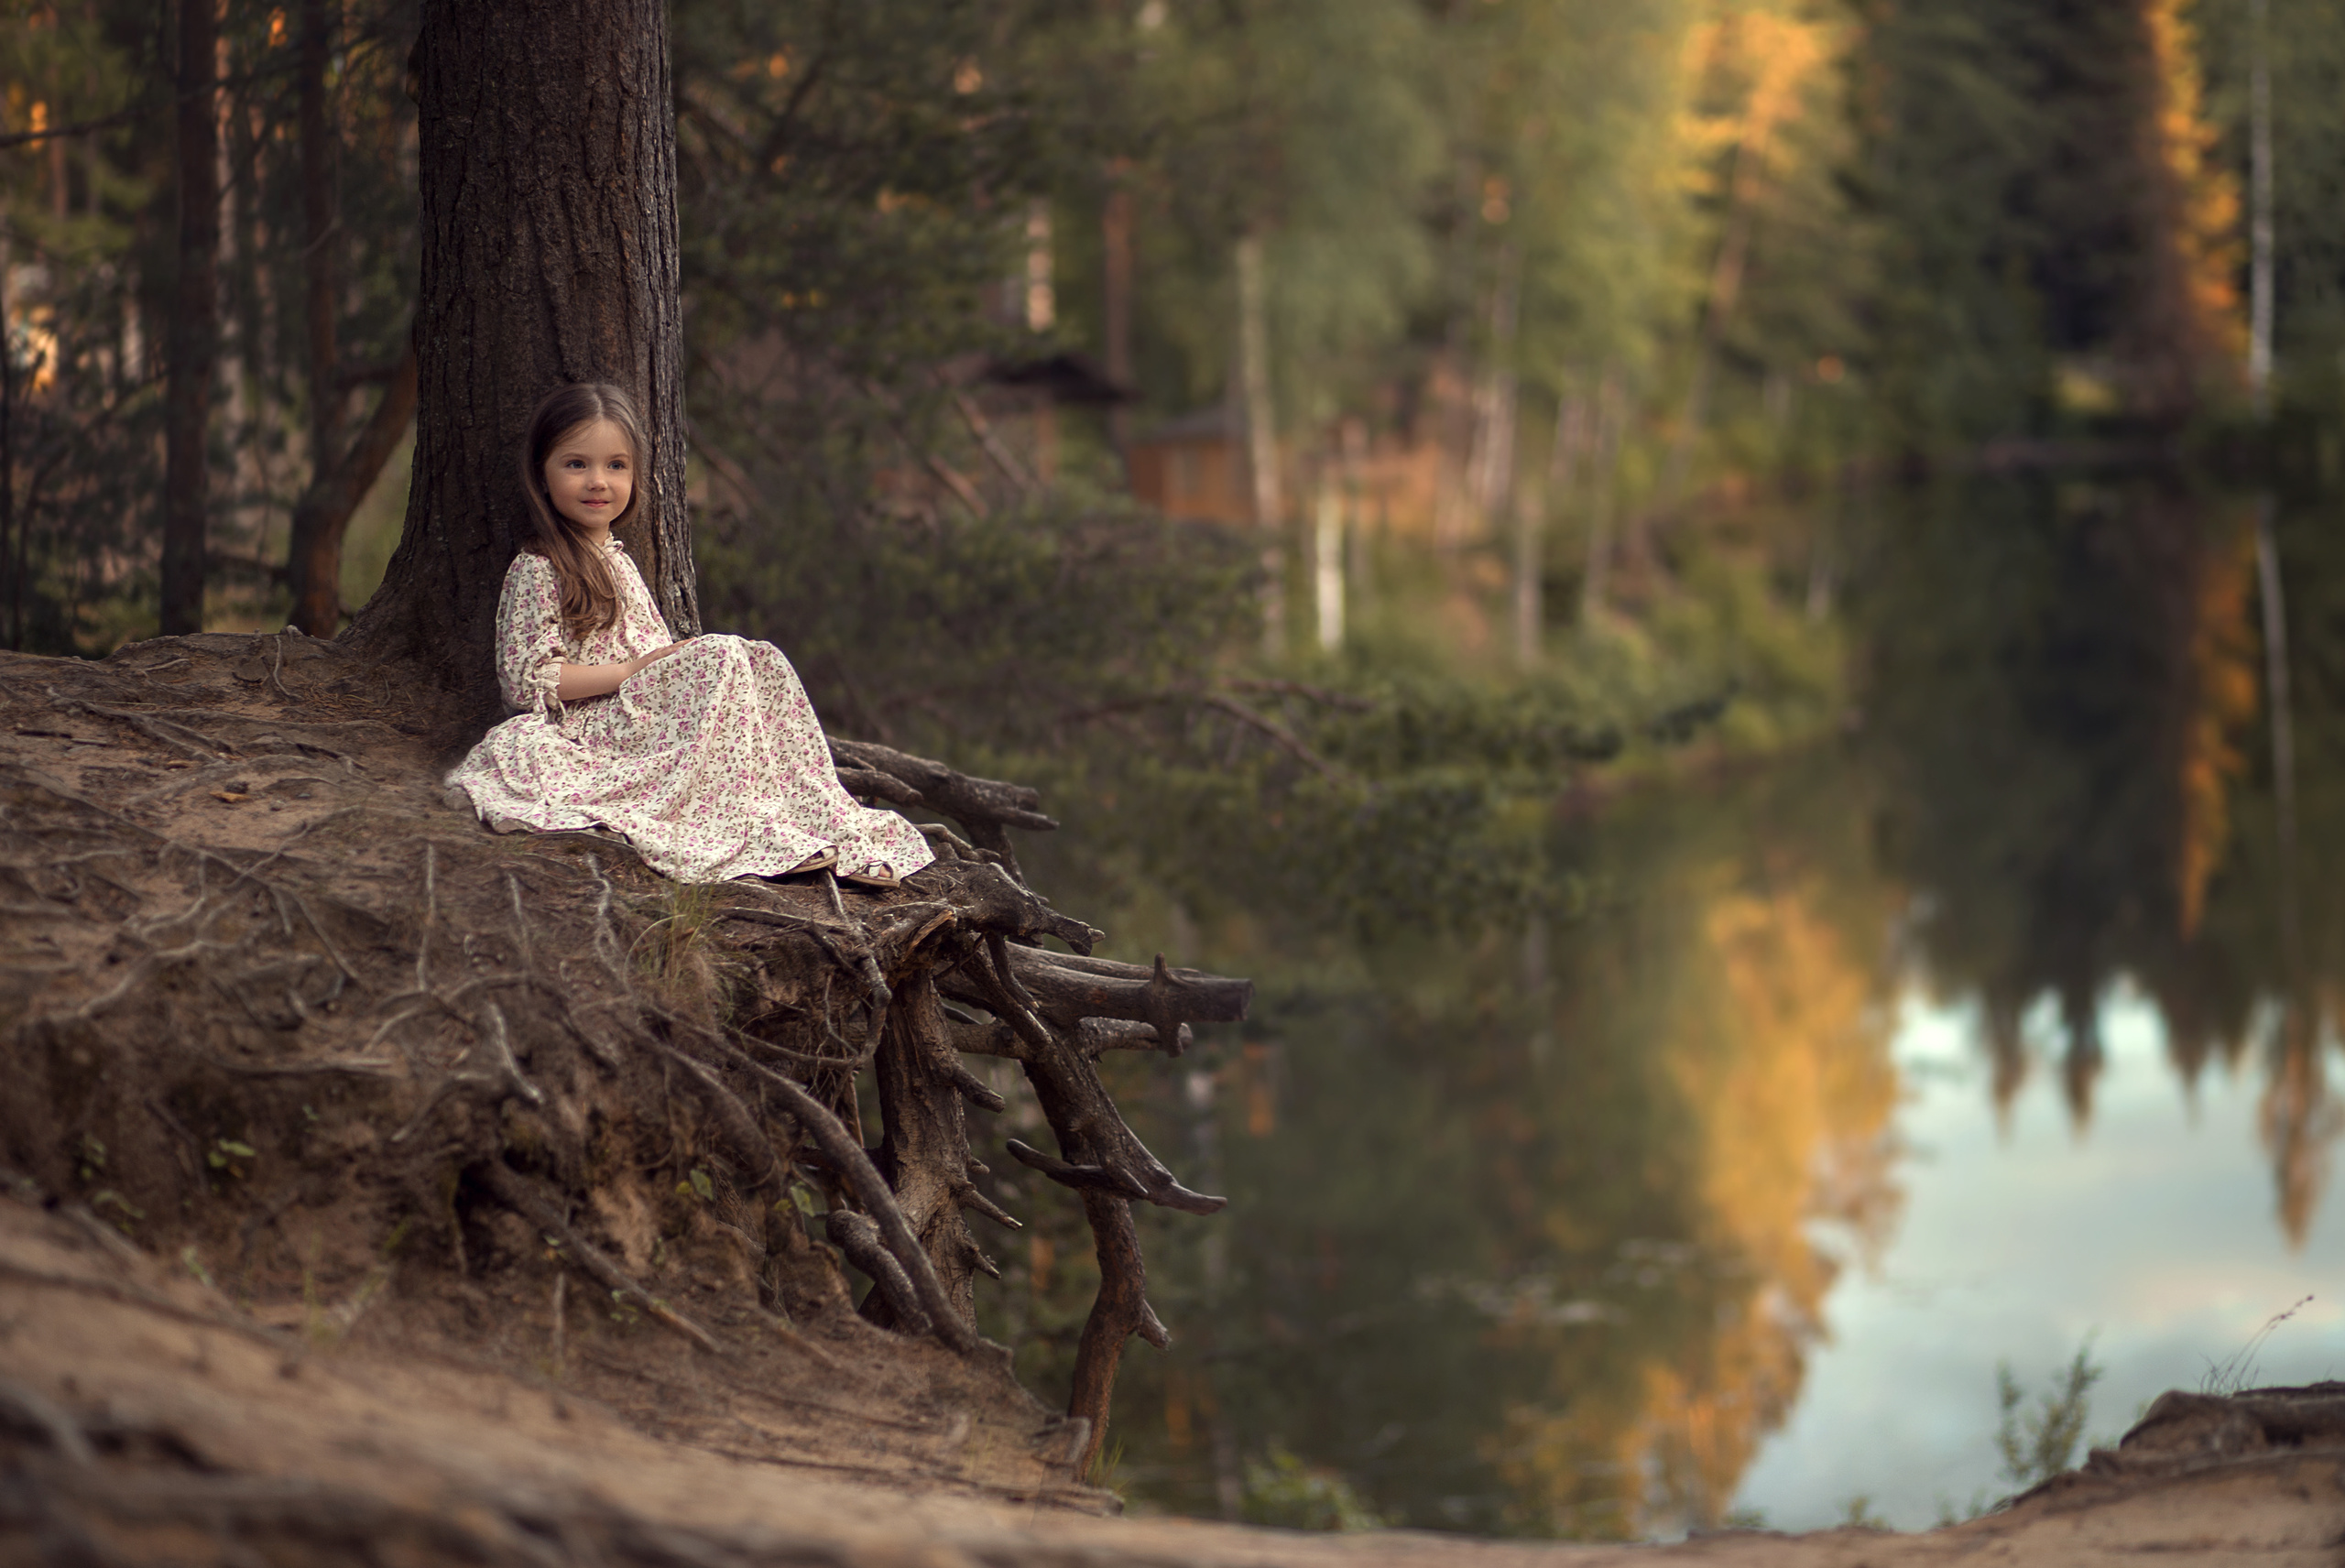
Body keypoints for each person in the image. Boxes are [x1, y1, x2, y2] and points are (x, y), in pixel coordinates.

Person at [444, 382, 934, 887]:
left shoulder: (621, 565)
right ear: (542, 475)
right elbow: (527, 683)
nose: (598, 481)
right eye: (576, 464)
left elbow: (656, 653)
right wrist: (634, 672)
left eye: (616, 466)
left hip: (645, 713)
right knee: (721, 652)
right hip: (595, 727)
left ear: (635, 476)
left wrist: (666, 666)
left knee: (758, 657)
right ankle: (758, 833)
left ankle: (822, 821)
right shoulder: (540, 567)